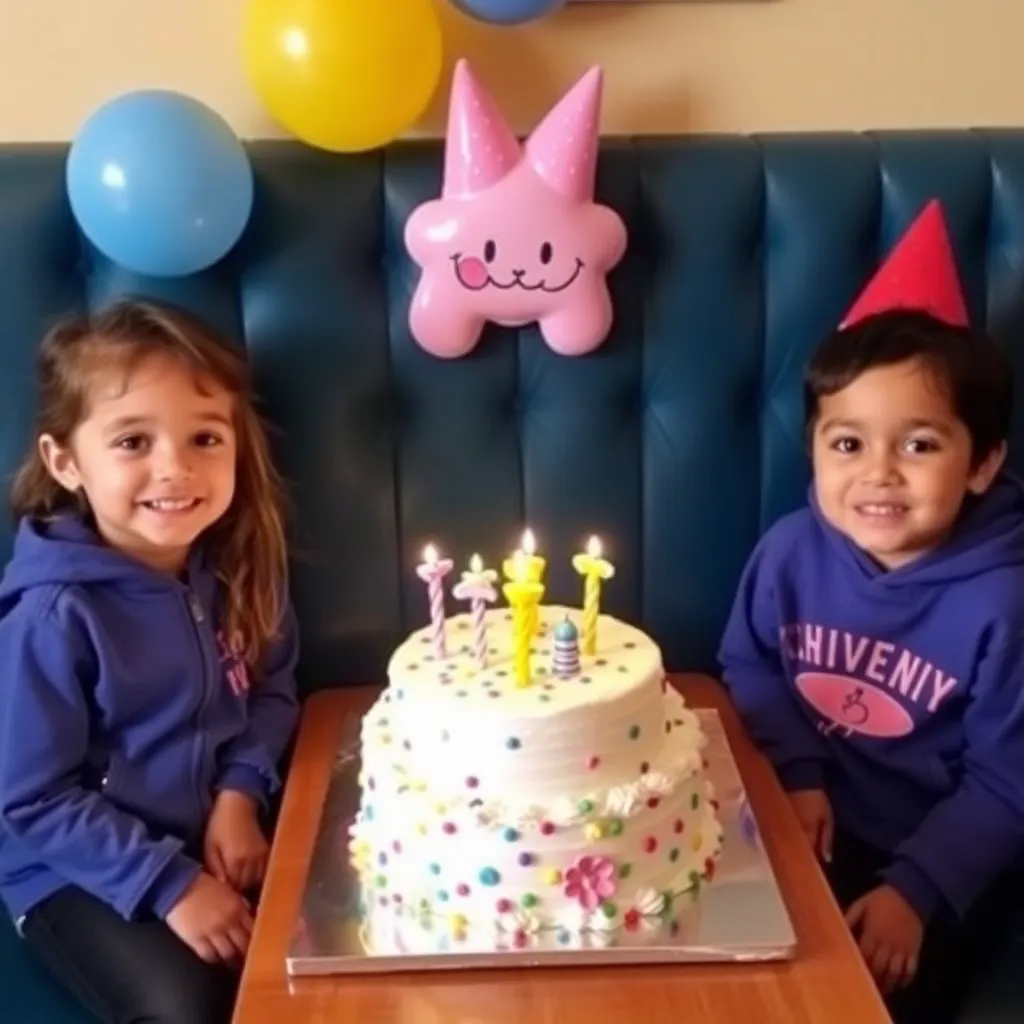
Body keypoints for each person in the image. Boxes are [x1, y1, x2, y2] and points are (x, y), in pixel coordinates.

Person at [718, 202, 1024, 1024]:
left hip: (945, 857)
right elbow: (749, 661)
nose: (879, 472)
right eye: (848, 444)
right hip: (804, 821)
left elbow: (1010, 778)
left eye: (919, 444)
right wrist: (798, 773)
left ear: (982, 462)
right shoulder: (791, 550)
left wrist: (915, 891)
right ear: (815, 450)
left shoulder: (1004, 601)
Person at [0, 298, 301, 1024]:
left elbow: (273, 689)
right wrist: (172, 885)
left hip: (215, 829)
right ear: (66, 461)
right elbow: (30, 798)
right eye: (133, 441)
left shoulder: (241, 566)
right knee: (188, 1006)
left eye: (205, 438)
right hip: (72, 869)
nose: (176, 468)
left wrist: (239, 793)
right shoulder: (53, 616)